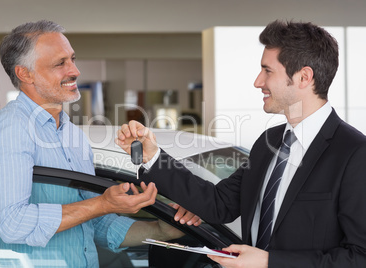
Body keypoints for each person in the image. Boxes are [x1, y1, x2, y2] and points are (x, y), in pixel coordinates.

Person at [116, 20, 366, 267]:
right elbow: (218, 204)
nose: (258, 81)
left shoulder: (354, 153)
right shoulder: (269, 142)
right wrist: (154, 155)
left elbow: (359, 257)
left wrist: (269, 262)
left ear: (304, 77)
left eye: (267, 71)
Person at [0, 20, 200, 267]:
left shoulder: (72, 135)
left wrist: (161, 231)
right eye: (60, 63)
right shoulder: (11, 126)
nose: (74, 71)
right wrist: (102, 203)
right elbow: (13, 223)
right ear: (25, 73)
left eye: (72, 59)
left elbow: (93, 223)